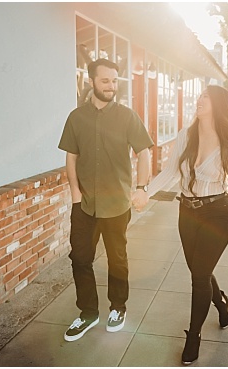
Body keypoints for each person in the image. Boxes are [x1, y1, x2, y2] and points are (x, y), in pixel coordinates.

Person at [132, 85, 228, 365]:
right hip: (188, 213)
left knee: (199, 276)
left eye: (206, 96)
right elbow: (169, 172)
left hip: (217, 213)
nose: (199, 99)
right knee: (199, 271)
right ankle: (222, 305)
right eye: (200, 95)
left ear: (218, 104)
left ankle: (193, 336)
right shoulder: (186, 134)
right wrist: (145, 192)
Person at [58, 58, 154, 341]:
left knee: (117, 258)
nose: (111, 86)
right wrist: (75, 194)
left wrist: (141, 188)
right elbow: (71, 157)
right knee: (80, 259)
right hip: (85, 205)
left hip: (116, 205)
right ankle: (88, 313)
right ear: (91, 82)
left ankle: (118, 308)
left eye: (114, 81)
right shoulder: (76, 118)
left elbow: (144, 151)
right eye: (105, 81)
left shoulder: (126, 116)